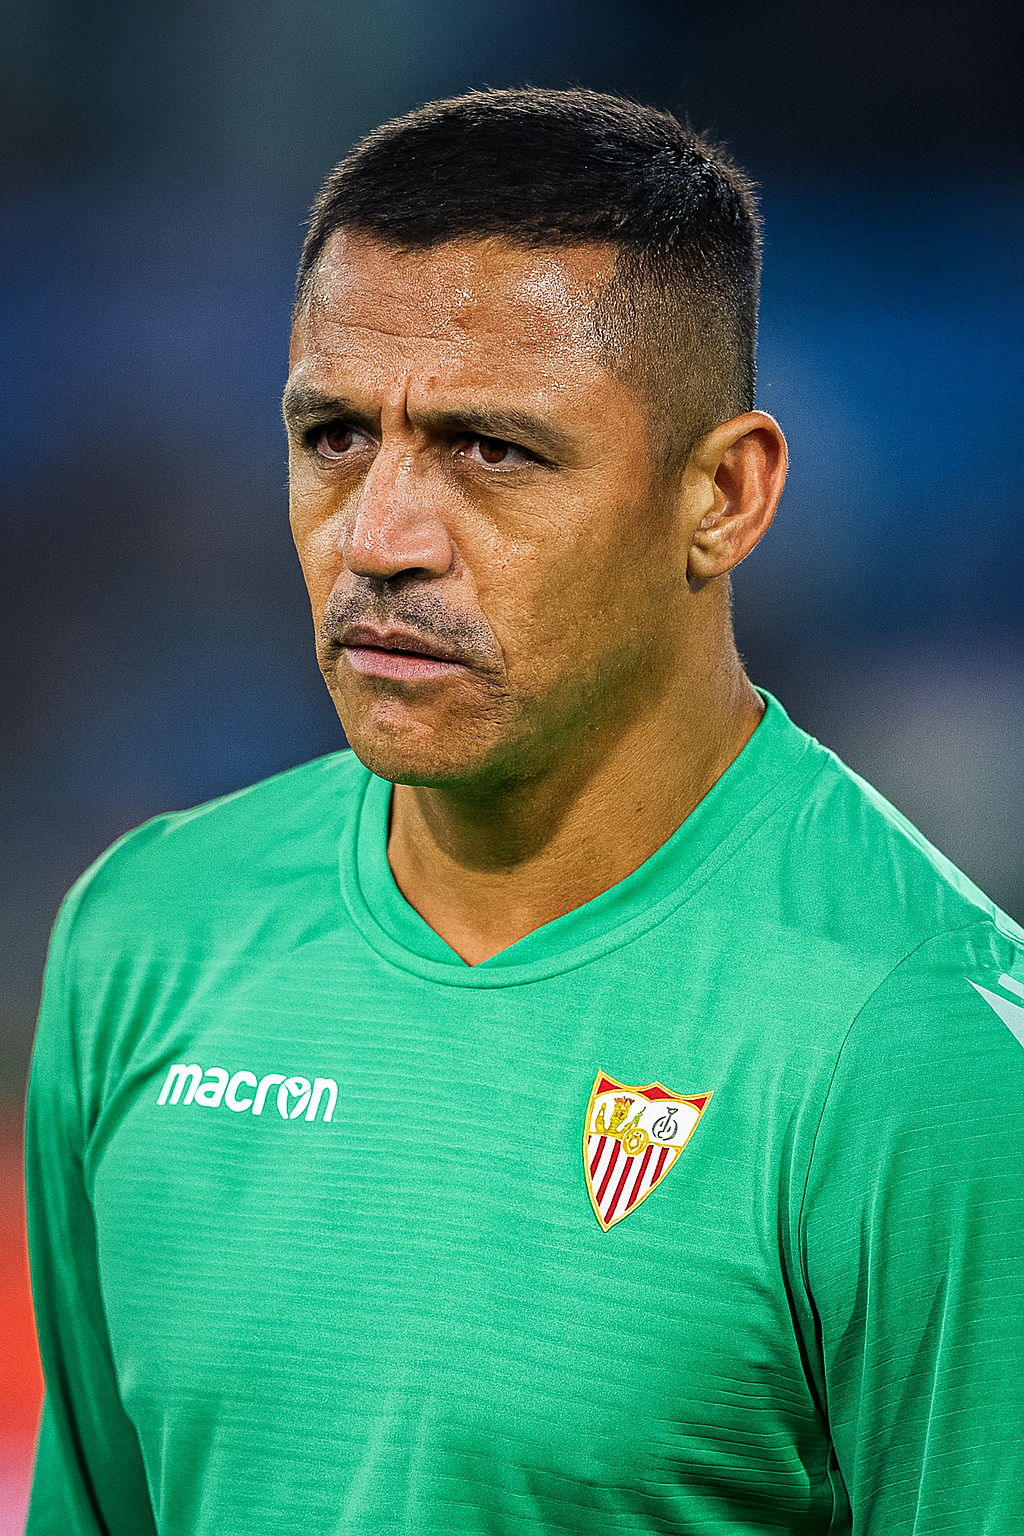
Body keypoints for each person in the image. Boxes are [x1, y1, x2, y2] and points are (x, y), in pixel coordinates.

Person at [25, 88, 1024, 1536]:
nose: (380, 538)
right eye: (334, 436)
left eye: (493, 451)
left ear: (724, 495)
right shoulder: (147, 934)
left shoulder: (920, 1054)